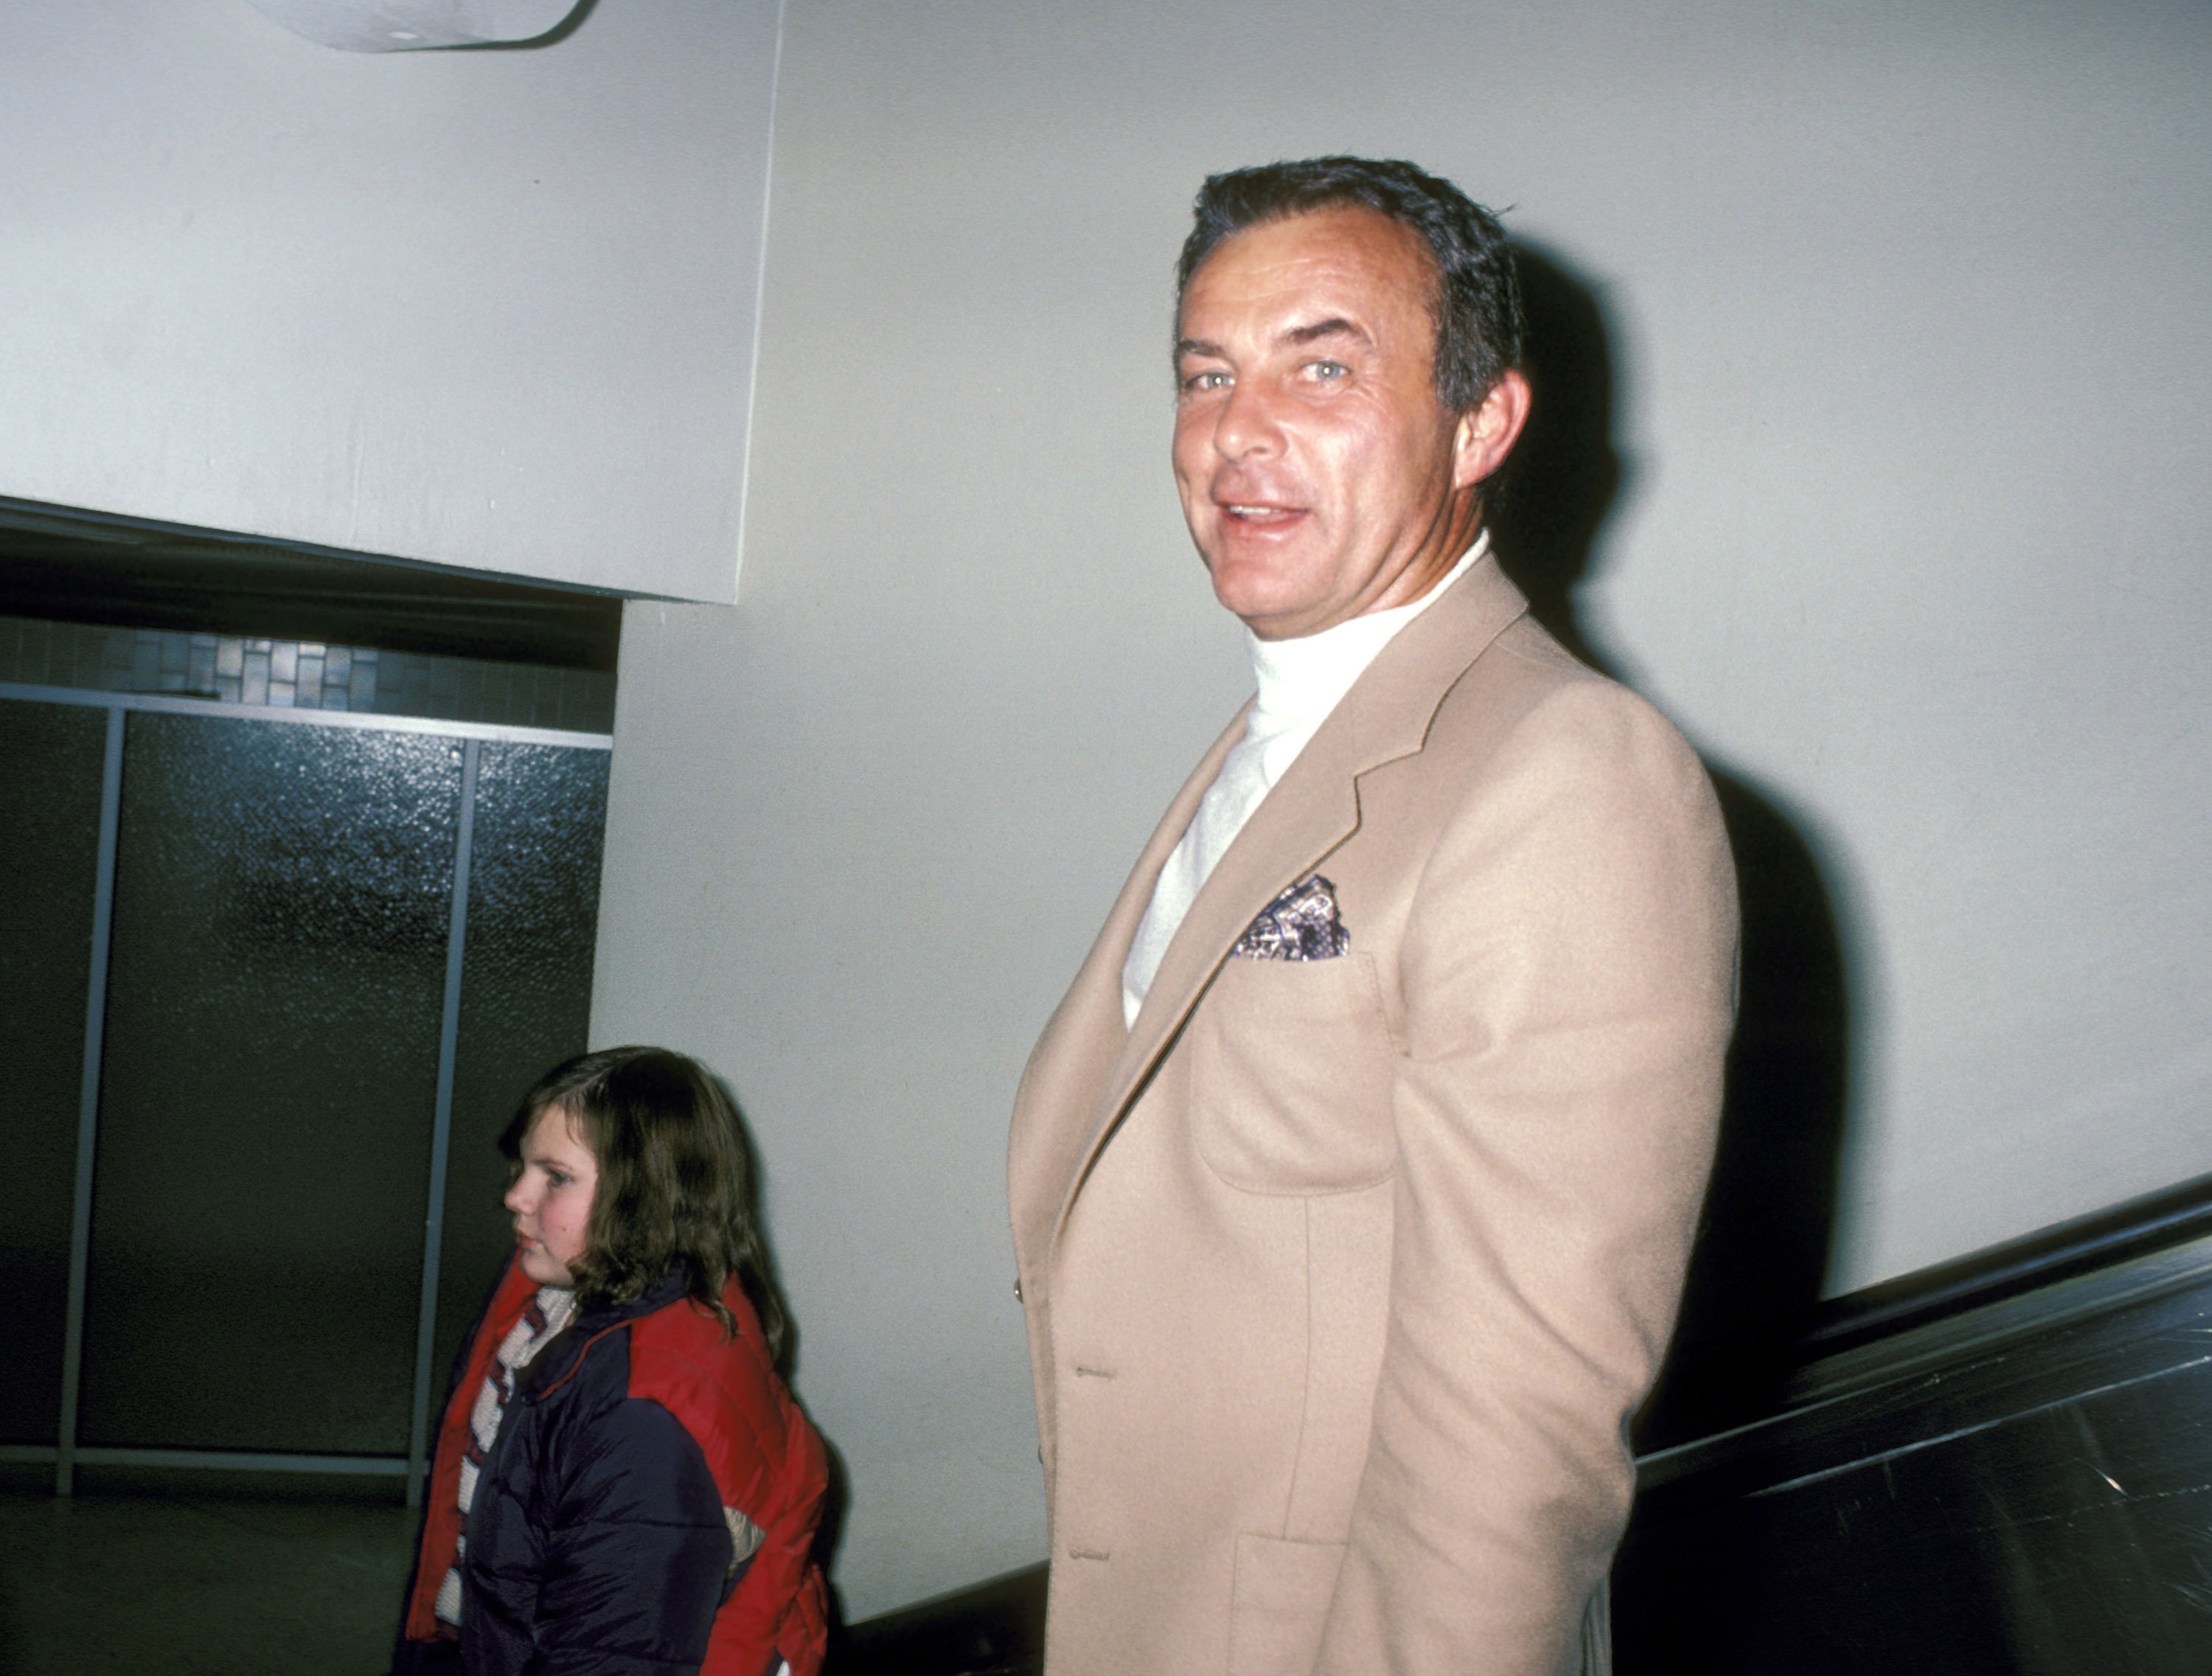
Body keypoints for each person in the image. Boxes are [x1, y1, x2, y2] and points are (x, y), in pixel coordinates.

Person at [1006, 157, 1739, 1675]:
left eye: (1321, 365)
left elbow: (1508, 1448)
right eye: (1206, 372)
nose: (1236, 431)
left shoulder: (1564, 769)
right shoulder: (1281, 738)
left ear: (1483, 423)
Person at [393, 1046, 830, 1676]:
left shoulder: (641, 1415)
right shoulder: (555, 1295)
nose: (515, 1194)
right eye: (523, 1165)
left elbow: (614, 1656)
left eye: (555, 1175)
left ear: (649, 1192)